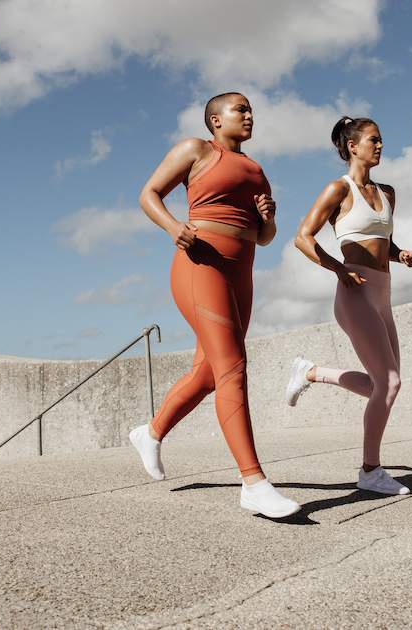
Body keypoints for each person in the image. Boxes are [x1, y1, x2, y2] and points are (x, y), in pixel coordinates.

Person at [129, 92, 300, 518]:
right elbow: (149, 193)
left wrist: (269, 218)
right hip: (199, 263)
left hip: (241, 271)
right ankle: (254, 483)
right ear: (214, 120)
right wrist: (173, 227)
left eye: (251, 110)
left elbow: (264, 238)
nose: (248, 115)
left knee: (208, 373)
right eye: (239, 109)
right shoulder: (196, 150)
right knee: (232, 366)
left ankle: (150, 433)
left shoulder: (257, 170)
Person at [288, 116, 412, 496]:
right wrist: (338, 269)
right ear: (352, 146)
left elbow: (383, 243)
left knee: (384, 386)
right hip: (354, 291)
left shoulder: (388, 193)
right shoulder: (338, 189)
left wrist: (401, 254)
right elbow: (303, 238)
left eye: (381, 140)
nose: (379, 146)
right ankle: (370, 470)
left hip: (383, 293)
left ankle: (311, 372)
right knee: (390, 383)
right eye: (373, 140)